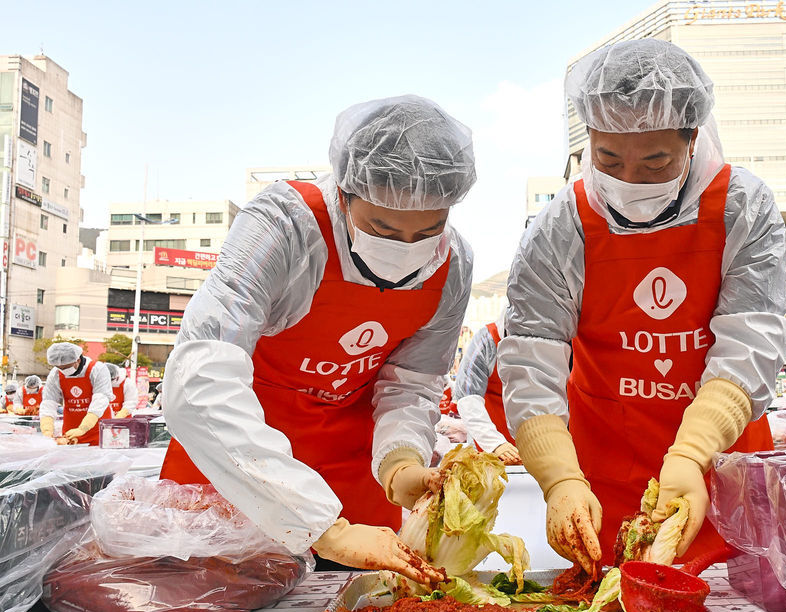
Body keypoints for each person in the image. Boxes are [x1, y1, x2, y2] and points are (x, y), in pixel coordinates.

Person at [498, 39, 786, 573]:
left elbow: (750, 347)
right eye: (608, 159)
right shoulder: (561, 225)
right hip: (603, 470)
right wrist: (559, 477)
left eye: (655, 162)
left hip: (721, 459)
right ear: (588, 139)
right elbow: (531, 357)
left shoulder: (742, 207)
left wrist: (689, 456)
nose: (629, 180)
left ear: (692, 137)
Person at [158, 95, 475, 583]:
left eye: (428, 230)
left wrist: (401, 463)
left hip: (355, 481)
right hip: (236, 467)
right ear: (346, 194)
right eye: (381, 227)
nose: (405, 249)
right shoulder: (285, 226)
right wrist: (319, 526)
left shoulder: (453, 265)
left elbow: (412, 384)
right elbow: (198, 382)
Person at [453, 306, 520, 465]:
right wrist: (495, 444)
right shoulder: (487, 340)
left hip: (540, 443)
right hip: (493, 447)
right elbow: (468, 398)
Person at [39, 342, 114, 445]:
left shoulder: (97, 369)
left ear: (77, 360)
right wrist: (47, 428)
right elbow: (49, 401)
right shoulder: (55, 374)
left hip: (98, 428)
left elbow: (101, 399)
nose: (63, 370)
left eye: (66, 367)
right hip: (70, 432)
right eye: (59, 367)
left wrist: (84, 427)